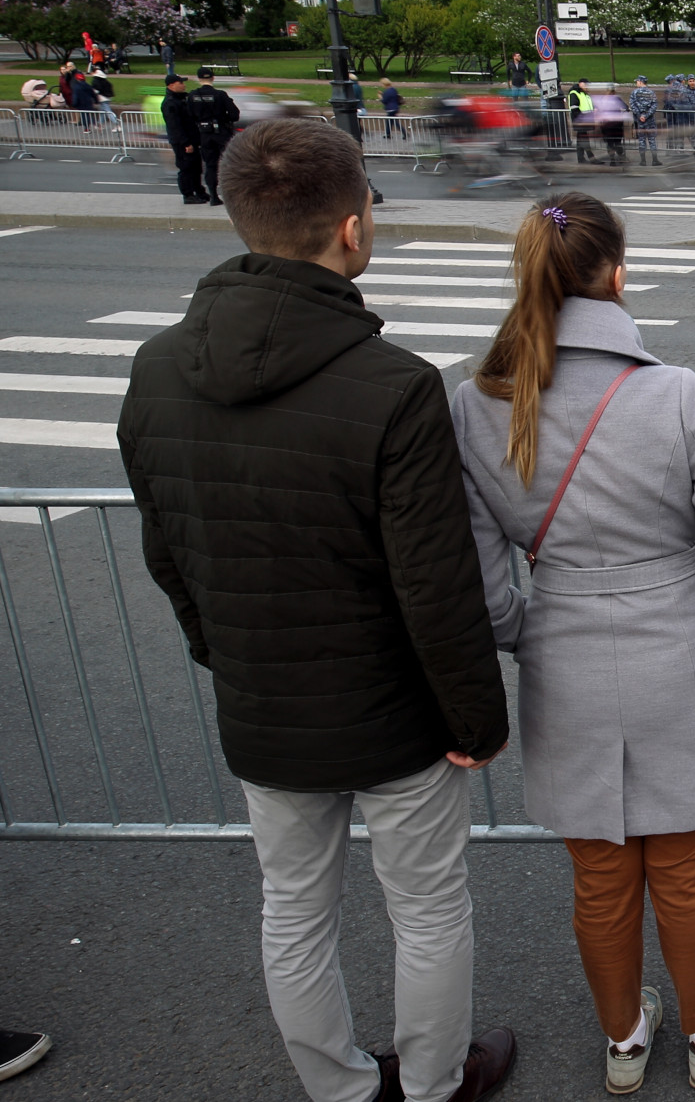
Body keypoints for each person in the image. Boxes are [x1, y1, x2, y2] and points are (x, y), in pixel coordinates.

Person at [115, 118, 517, 1102]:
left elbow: (167, 548)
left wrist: (224, 654)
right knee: (424, 907)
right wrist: (475, 716)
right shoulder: (394, 386)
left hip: (263, 703)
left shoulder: (157, 370)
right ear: (350, 226)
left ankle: (338, 1089)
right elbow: (433, 581)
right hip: (392, 714)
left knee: (292, 907)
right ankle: (430, 1085)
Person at [453, 194, 695, 1094]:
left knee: (599, 877)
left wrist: (533, 631)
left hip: (565, 658)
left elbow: (484, 587)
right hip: (681, 651)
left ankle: (625, 1039)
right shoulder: (675, 394)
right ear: (617, 273)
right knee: (684, 869)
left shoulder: (479, 405)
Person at [189, 68, 243, 208]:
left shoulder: (193, 96)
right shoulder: (220, 95)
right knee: (229, 163)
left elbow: (190, 116)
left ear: (199, 78)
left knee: (210, 165)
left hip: (204, 135)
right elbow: (234, 115)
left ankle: (213, 195)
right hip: (221, 133)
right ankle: (231, 195)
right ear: (213, 78)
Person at [160, 74, 206, 204]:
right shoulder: (170, 103)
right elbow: (175, 126)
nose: (183, 85)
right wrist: (186, 143)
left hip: (192, 139)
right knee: (186, 168)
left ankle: (199, 191)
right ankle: (188, 195)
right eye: (180, 83)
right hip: (183, 142)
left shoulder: (181, 99)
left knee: (196, 167)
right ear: (171, 85)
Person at [630, 75, 660, 166]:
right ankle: (655, 160)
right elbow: (654, 105)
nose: (636, 83)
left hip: (640, 121)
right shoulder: (651, 92)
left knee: (642, 140)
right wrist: (646, 115)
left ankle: (643, 161)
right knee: (652, 140)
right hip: (650, 120)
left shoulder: (634, 93)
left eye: (637, 81)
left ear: (640, 81)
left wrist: (640, 116)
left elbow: (632, 105)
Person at [568, 78, 598, 163]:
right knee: (584, 140)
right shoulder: (574, 93)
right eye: (586, 85)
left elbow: (590, 104)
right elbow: (574, 109)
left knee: (581, 140)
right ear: (581, 84)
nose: (588, 87)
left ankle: (581, 158)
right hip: (581, 121)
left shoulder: (584, 94)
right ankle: (591, 157)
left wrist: (595, 108)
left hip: (584, 120)